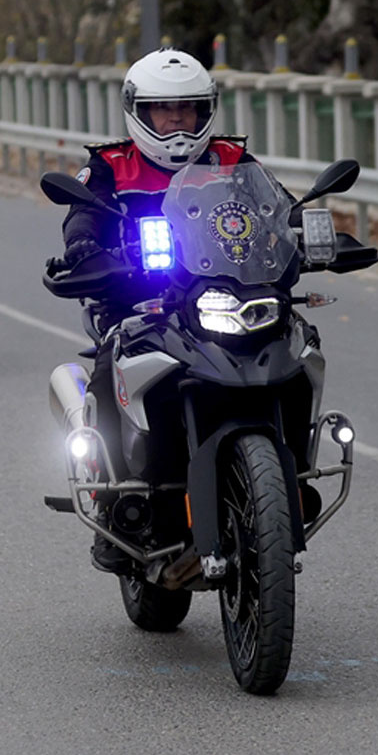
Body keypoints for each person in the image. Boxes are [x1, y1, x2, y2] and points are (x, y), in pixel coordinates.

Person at [56, 47, 278, 573]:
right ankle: (115, 503)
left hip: (229, 299)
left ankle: (283, 482)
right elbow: (81, 218)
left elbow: (273, 206)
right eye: (163, 109)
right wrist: (84, 248)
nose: (177, 120)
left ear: (206, 111)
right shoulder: (110, 165)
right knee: (112, 364)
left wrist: (306, 236)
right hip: (138, 304)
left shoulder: (233, 159)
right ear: (140, 111)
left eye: (188, 108)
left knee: (295, 340)